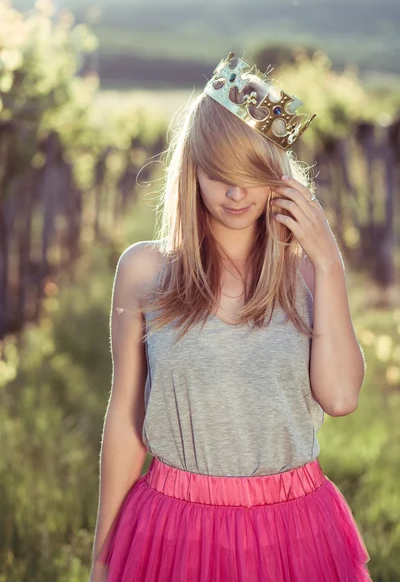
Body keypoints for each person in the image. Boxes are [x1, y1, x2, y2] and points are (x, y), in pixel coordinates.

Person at [89, 52, 372, 582]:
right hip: (174, 528)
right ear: (193, 172)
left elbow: (340, 398)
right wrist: (104, 559)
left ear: (278, 177)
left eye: (252, 174)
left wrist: (328, 259)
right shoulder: (144, 271)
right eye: (220, 175)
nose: (237, 193)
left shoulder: (310, 277)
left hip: (293, 530)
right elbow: (126, 419)